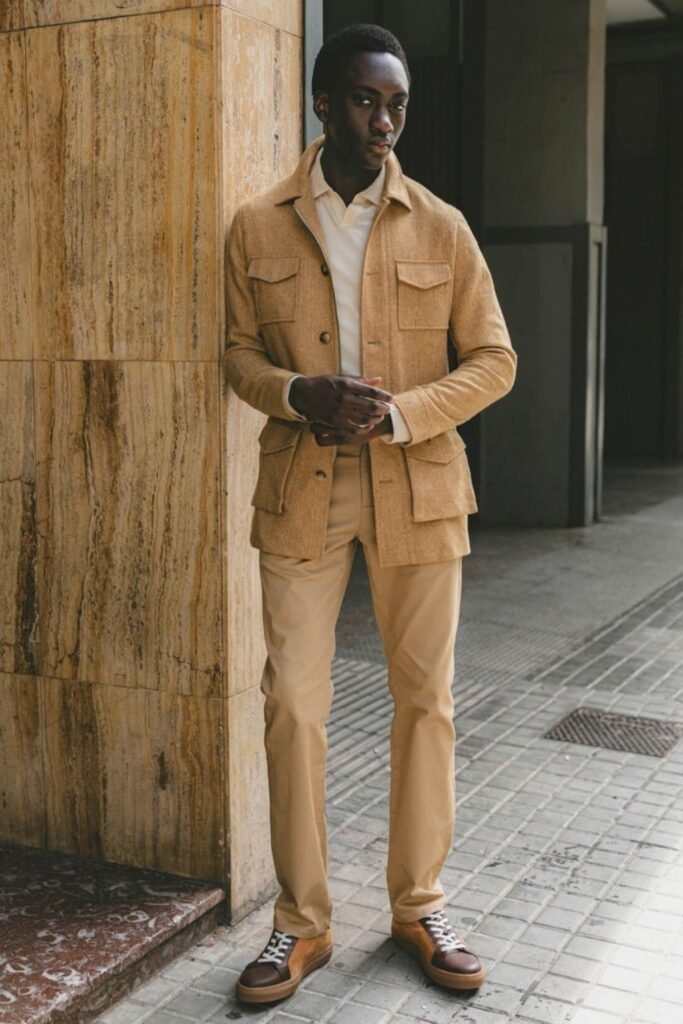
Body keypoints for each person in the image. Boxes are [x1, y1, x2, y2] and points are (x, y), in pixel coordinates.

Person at [223, 23, 517, 1006]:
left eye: (396, 104)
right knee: (292, 705)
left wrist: (400, 413)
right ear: (322, 103)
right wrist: (297, 393)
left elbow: (495, 360)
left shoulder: (442, 226)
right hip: (301, 482)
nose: (383, 121)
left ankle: (419, 907)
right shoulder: (256, 225)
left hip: (418, 484)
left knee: (424, 702)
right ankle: (300, 922)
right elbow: (235, 357)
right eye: (363, 100)